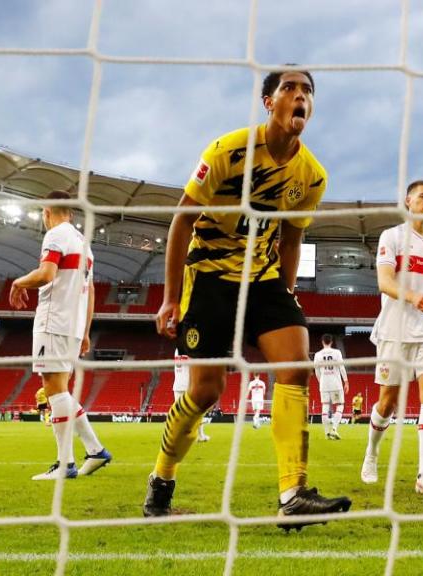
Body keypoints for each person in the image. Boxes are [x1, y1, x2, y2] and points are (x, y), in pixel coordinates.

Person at [144, 68, 351, 526]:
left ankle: (292, 493)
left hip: (263, 279)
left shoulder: (312, 176)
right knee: (205, 392)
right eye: (290, 88)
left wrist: (288, 294)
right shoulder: (227, 150)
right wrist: (170, 298)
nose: (300, 96)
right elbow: (181, 222)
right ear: (268, 102)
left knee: (296, 366)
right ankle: (162, 477)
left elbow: (293, 239)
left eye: (308, 91)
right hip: (211, 277)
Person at [361, 180, 423, 495]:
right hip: (396, 330)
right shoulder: (391, 237)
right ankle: (372, 451)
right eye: (422, 196)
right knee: (388, 402)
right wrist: (412, 296)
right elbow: (384, 281)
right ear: (408, 201)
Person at [10, 190, 112, 480]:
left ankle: (65, 464)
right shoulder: (84, 244)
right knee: (61, 390)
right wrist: (85, 331)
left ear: (47, 211)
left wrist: (18, 282)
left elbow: (46, 274)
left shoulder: (55, 235)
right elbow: (90, 291)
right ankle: (95, 451)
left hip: (53, 321)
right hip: (73, 324)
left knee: (53, 389)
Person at [313, 334, 349, 440]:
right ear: (332, 342)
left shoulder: (317, 355)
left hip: (324, 384)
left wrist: (321, 381)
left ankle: (326, 433)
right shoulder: (337, 353)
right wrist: (346, 381)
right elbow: (341, 367)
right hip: (336, 384)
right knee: (340, 405)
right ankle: (334, 429)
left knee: (325, 406)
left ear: (322, 342)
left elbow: (317, 371)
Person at [174, 349, 209, 441]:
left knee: (180, 413)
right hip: (188, 385)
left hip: (177, 385)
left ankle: (180, 436)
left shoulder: (177, 350)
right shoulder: (188, 350)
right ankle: (200, 435)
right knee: (197, 412)